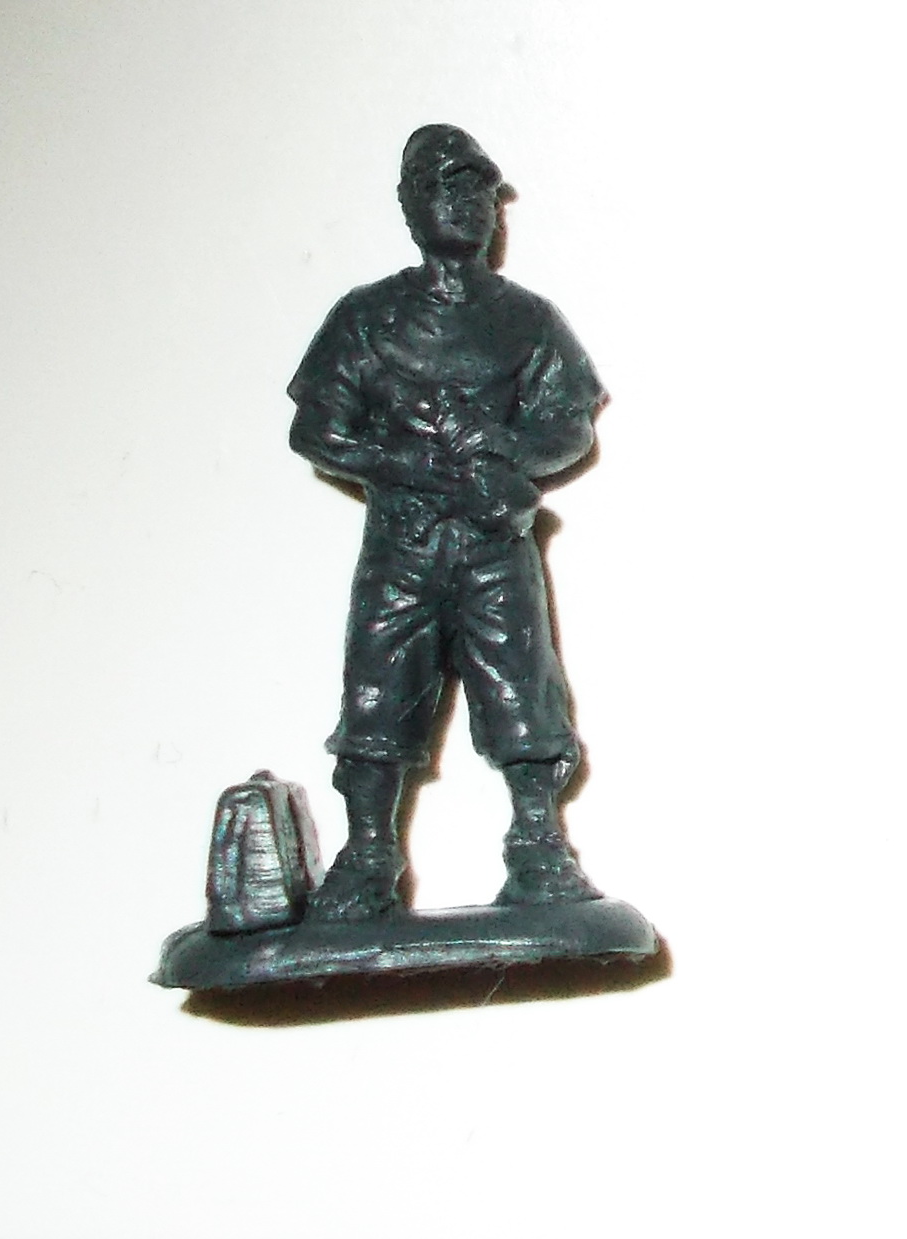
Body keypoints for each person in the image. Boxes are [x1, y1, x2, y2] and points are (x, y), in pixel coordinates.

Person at [285, 124, 606, 919]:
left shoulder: (529, 319)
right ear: (409, 203)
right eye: (443, 187)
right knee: (377, 693)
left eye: (477, 190)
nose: (464, 204)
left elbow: (569, 424)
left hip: (494, 542)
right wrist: (406, 463)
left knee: (523, 689)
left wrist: (503, 448)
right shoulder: (367, 319)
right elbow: (318, 431)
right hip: (403, 540)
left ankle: (537, 841)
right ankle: (368, 855)